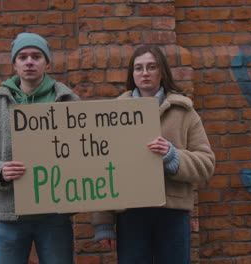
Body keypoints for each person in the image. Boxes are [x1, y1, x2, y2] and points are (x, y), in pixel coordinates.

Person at [91, 45, 215, 264]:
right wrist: (103, 222)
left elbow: (206, 163)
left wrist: (172, 156)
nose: (145, 73)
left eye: (151, 67)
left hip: (173, 213)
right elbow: (104, 167)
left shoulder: (184, 112)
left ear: (162, 72)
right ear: (132, 74)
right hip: (131, 214)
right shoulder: (113, 114)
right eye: (138, 68)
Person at [0, 33, 79, 264]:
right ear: (15, 64)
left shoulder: (68, 101)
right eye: (23, 56)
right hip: (11, 213)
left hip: (54, 214)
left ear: (46, 63)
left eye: (36, 56)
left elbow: (85, 152)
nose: (29, 61)